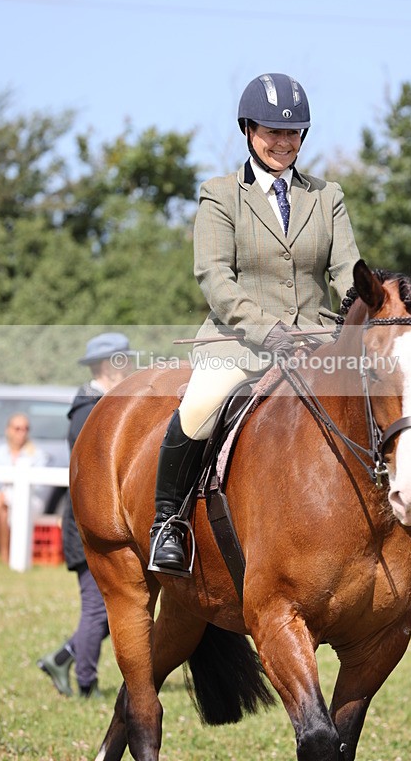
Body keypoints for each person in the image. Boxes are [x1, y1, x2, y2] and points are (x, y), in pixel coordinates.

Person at [148, 72, 360, 575]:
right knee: (200, 404)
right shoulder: (220, 195)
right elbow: (215, 277)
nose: (282, 142)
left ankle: (408, 520)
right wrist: (269, 331)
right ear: (248, 129)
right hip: (239, 342)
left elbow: (348, 268)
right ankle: (168, 523)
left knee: (380, 404)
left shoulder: (327, 197)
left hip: (316, 341)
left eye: (292, 133)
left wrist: (361, 304)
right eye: (271, 131)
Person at [37, 332, 137, 697]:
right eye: (122, 361)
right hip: (86, 525)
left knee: (113, 605)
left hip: (102, 519)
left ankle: (61, 658)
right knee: (98, 609)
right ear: (106, 366)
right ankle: (86, 682)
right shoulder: (87, 409)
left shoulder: (105, 401)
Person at [0, 413, 49, 564]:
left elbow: (38, 486)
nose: (22, 433)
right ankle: (5, 559)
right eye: (17, 429)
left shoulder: (36, 454)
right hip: (6, 501)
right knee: (2, 511)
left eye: (25, 429)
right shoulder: (0, 452)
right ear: (8, 430)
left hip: (30, 500)